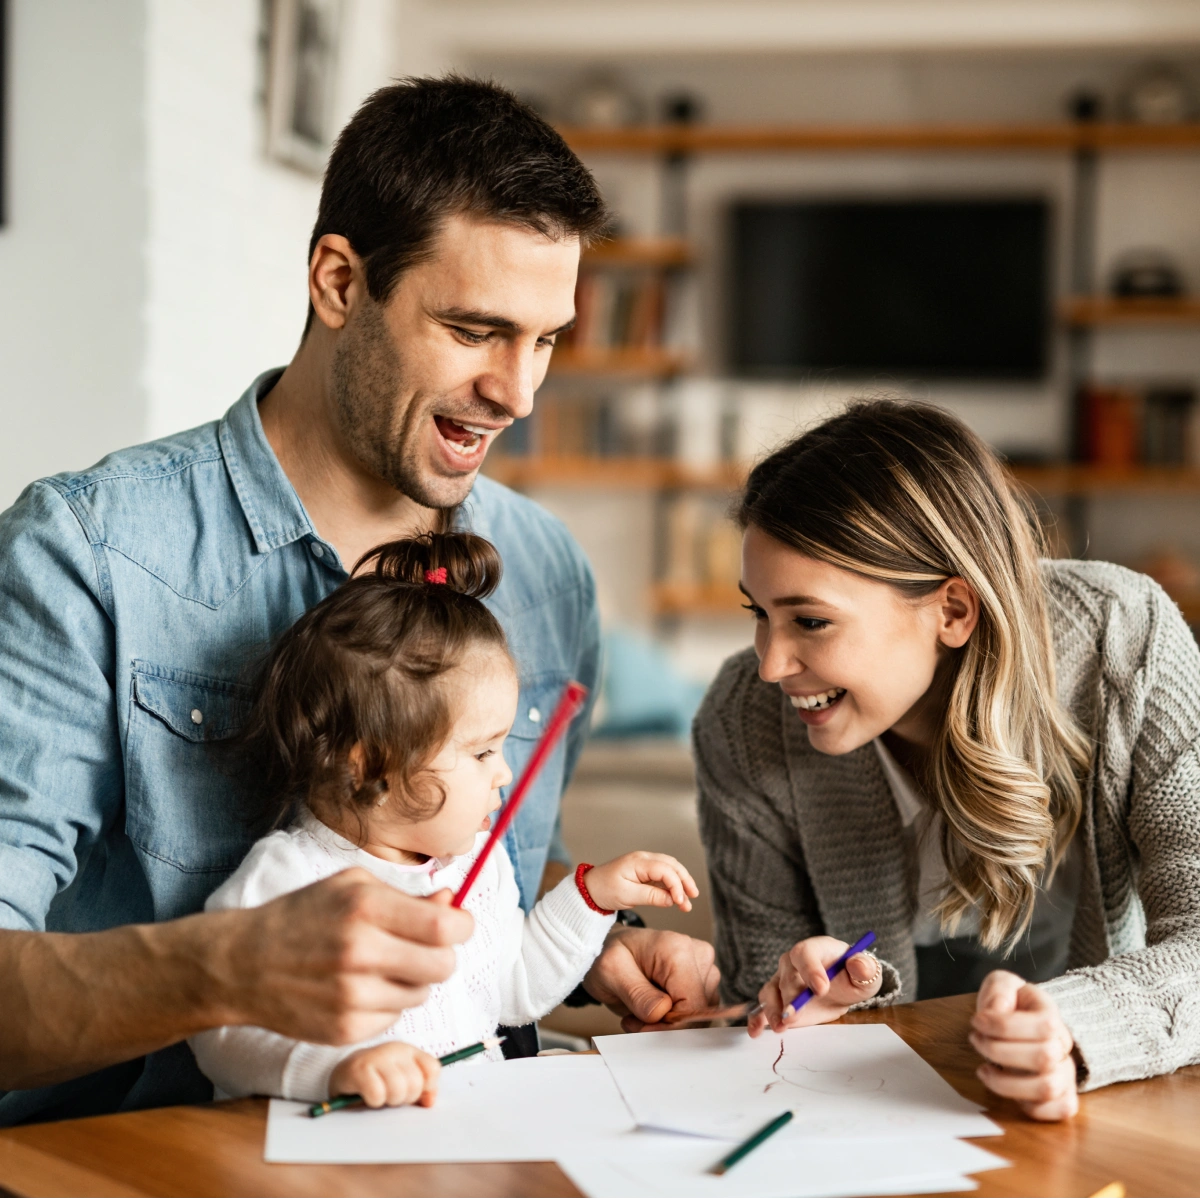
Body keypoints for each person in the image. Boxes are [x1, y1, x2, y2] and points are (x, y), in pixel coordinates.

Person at [0, 75, 717, 1126]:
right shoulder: (86, 556)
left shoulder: (546, 568)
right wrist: (225, 967)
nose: (519, 393)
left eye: (547, 339)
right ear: (340, 282)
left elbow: (458, 840)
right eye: (476, 329)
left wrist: (595, 942)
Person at [695, 399, 1200, 1122]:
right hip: (879, 1119)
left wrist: (1079, 1029)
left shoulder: (1127, 643)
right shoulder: (743, 719)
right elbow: (759, 1004)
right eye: (759, 615)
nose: (771, 665)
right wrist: (803, 998)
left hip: (1088, 1098)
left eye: (810, 621)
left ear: (953, 611)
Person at [190, 532, 699, 1108]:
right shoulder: (286, 878)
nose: (503, 774)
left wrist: (592, 897)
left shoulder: (476, 864)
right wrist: (336, 1068)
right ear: (374, 763)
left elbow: (516, 992)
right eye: (483, 752)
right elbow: (222, 1035)